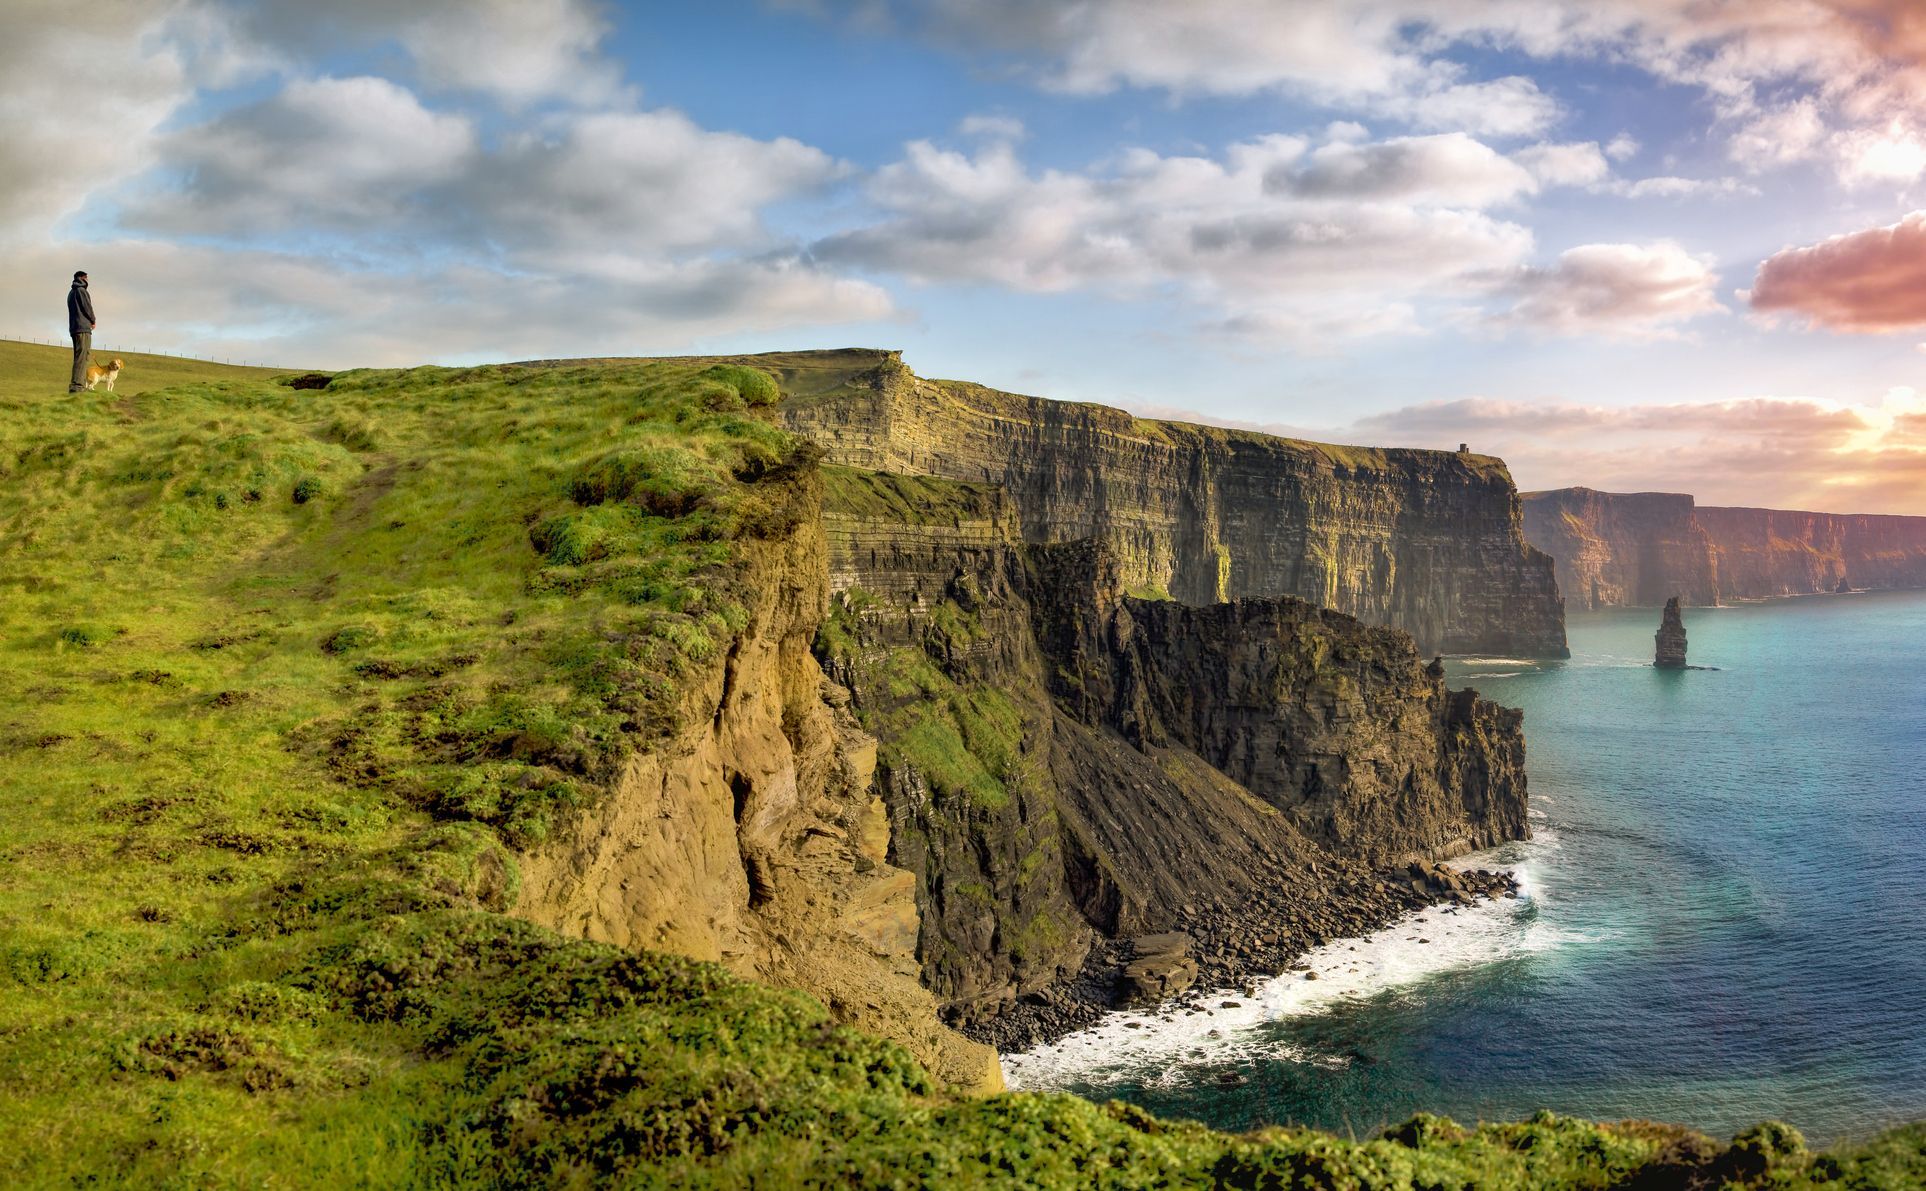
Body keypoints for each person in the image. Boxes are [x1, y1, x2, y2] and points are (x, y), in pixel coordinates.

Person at [67, 270, 96, 393]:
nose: (87, 280)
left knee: (78, 356)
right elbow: (87, 307)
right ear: (82, 278)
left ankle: (77, 384)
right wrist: (93, 320)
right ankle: (78, 386)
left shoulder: (71, 293)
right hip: (83, 327)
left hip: (74, 328)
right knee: (83, 356)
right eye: (86, 278)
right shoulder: (81, 291)